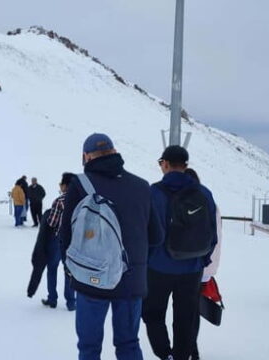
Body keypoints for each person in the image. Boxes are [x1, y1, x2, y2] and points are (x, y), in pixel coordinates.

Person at [59, 133, 163, 360]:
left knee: (89, 347)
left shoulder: (79, 185)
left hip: (91, 278)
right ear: (114, 152)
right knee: (129, 344)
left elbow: (66, 235)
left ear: (86, 156)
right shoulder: (141, 186)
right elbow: (156, 236)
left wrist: (71, 269)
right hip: (131, 280)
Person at [142, 146, 217, 360]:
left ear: (165, 164)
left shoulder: (152, 193)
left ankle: (165, 353)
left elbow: (143, 231)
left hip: (158, 267)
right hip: (191, 268)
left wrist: (146, 259)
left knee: (152, 313)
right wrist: (203, 259)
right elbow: (212, 233)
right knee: (186, 318)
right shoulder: (204, 193)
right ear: (185, 165)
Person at [184, 168, 223, 360]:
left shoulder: (182, 203)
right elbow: (217, 237)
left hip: (186, 267)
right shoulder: (209, 202)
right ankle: (192, 349)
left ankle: (186, 349)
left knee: (184, 309)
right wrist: (210, 267)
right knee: (192, 309)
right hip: (204, 267)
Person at [42, 172, 76, 311]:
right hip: (75, 241)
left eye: (61, 184)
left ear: (65, 186)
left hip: (58, 239)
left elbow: (52, 222)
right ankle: (71, 302)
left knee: (52, 268)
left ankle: (52, 299)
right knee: (69, 271)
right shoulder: (82, 199)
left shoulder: (60, 201)